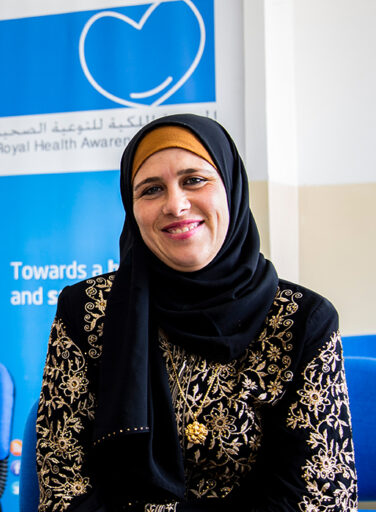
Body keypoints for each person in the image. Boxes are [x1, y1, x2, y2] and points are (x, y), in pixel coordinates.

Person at [36, 114, 357, 511]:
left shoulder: (302, 320)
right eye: (151, 189)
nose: (176, 204)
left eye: (194, 180)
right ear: (131, 208)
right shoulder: (86, 312)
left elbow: (321, 491)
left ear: (231, 187)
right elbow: (62, 475)